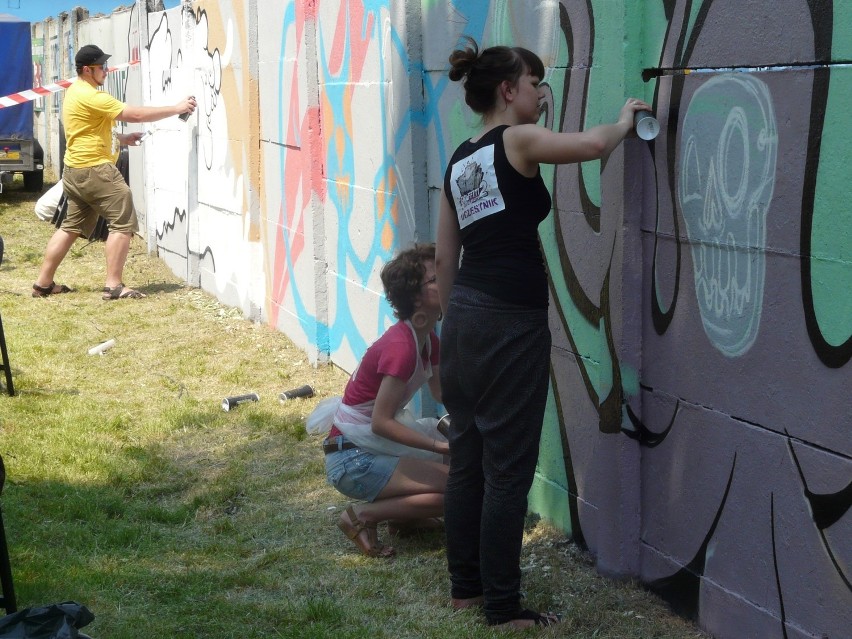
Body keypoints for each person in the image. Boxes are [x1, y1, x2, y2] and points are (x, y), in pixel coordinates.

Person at [435, 38, 651, 629]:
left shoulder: (460, 158)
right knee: (508, 469)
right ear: (509, 91)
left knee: (469, 460)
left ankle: (466, 590)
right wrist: (626, 122)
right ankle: (503, 609)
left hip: (466, 319)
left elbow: (446, 256)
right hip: (509, 320)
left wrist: (450, 332)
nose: (540, 94)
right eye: (535, 83)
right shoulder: (516, 138)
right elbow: (588, 145)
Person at [31, 44, 196, 299]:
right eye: (101, 67)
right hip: (96, 171)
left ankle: (43, 284)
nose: (106, 71)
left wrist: (122, 138)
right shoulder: (92, 96)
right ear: (88, 70)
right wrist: (177, 108)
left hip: (75, 170)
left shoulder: (75, 92)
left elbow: (87, 130)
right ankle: (114, 285)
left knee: (70, 228)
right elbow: (136, 114)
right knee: (122, 224)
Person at [317, 243, 449, 558]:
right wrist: (438, 446)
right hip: (352, 460)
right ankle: (362, 517)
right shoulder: (402, 347)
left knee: (461, 464)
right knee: (461, 488)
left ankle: (404, 520)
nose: (447, 281)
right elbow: (381, 421)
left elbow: (442, 394)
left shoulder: (427, 339)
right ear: (416, 297)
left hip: (365, 446)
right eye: (436, 279)